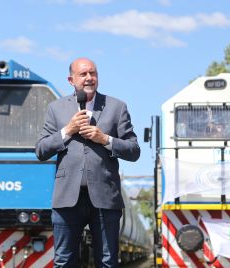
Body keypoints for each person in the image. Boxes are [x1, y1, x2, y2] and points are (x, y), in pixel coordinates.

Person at [35, 57, 140, 267]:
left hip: (104, 197)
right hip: (67, 198)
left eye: (93, 73)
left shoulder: (116, 107)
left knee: (108, 260)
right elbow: (41, 150)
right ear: (71, 79)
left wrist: (105, 139)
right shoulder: (56, 109)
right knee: (64, 260)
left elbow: (134, 151)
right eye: (83, 74)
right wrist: (68, 130)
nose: (89, 78)